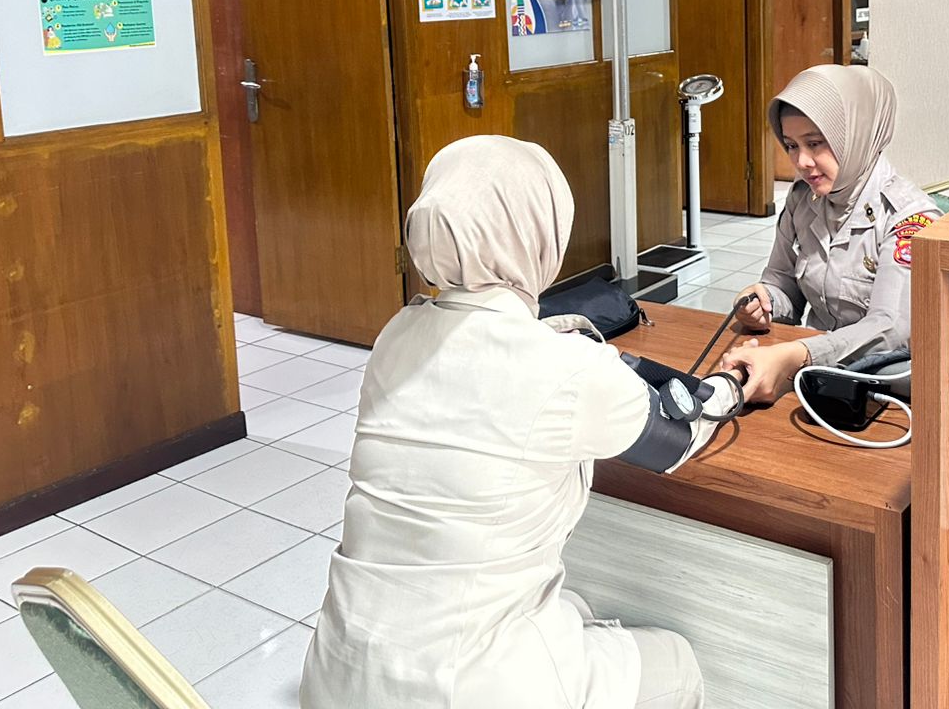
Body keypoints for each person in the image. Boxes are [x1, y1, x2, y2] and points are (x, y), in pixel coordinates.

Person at [302, 136, 736, 709]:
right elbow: (674, 439)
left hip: (339, 673)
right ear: (537, 230)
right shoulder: (565, 366)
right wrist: (735, 383)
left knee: (575, 608)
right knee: (677, 663)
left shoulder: (394, 337)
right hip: (461, 690)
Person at [721, 65, 938, 405]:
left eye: (815, 143)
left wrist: (800, 354)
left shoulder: (908, 218)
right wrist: (763, 302)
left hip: (879, 391)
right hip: (810, 376)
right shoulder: (802, 200)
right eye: (791, 145)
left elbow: (891, 327)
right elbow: (782, 283)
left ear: (856, 136)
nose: (802, 161)